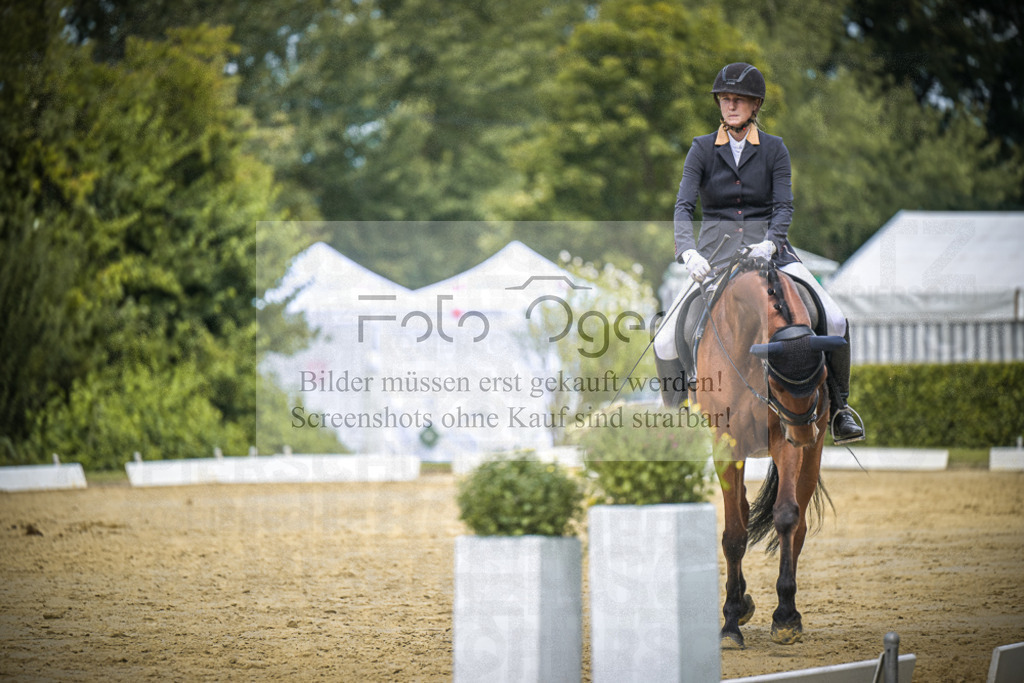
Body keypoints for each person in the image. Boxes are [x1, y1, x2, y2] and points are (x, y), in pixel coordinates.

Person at [654, 62, 865, 444]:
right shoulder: (701, 148)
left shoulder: (774, 149)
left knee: (834, 319)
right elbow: (683, 206)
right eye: (724, 99)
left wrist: (770, 242)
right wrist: (687, 252)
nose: (730, 105)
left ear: (755, 105)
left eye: (738, 100)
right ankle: (678, 423)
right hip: (715, 257)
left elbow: (784, 205)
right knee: (665, 338)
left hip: (773, 253)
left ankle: (841, 408)